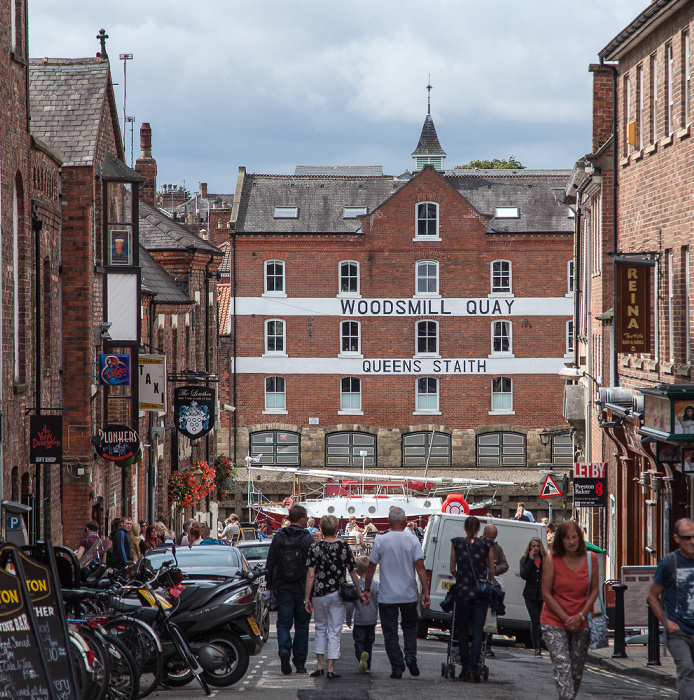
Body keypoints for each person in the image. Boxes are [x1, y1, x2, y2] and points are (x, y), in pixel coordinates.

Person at [362, 506, 430, 679]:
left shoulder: (380, 541)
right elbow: (421, 569)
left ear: (389, 522)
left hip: (387, 596)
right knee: (409, 628)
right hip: (408, 594)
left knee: (390, 632)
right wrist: (425, 592)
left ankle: (397, 667)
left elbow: (370, 569)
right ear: (405, 521)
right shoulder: (413, 540)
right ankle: (410, 657)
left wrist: (367, 589)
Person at [541, 520, 598, 700]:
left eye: (574, 537)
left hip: (581, 622)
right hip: (554, 621)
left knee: (576, 671)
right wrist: (566, 618)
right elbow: (546, 593)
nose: (572, 541)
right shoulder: (552, 561)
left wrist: (580, 616)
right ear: (560, 541)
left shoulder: (591, 559)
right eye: (567, 538)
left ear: (580, 539)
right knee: (563, 666)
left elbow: (595, 590)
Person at [304, 515, 362, 679]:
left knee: (320, 628)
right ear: (337, 529)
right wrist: (359, 592)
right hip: (338, 593)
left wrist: (307, 599)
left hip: (319, 593)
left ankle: (319, 665)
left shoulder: (315, 548)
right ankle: (331, 668)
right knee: (335, 631)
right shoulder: (343, 546)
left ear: (321, 529)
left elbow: (310, 574)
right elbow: (352, 571)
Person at [648, 517, 694, 699]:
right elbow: (652, 596)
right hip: (678, 631)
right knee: (687, 668)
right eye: (687, 538)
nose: (692, 541)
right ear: (676, 538)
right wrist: (665, 622)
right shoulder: (669, 563)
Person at [266, 505, 314, 675]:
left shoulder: (279, 536)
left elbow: (271, 561)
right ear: (301, 519)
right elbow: (313, 567)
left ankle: (284, 649)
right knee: (302, 626)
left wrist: (269, 584)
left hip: (283, 587)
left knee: (283, 623)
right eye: (306, 518)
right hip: (302, 588)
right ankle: (300, 663)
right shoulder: (308, 539)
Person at [450, 516, 495, 682]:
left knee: (461, 630)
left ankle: (464, 668)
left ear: (464, 528)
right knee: (477, 630)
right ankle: (474, 669)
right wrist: (488, 581)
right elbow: (491, 568)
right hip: (479, 593)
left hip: (462, 591)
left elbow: (452, 569)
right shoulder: (487, 544)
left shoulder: (456, 543)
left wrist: (461, 579)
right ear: (478, 529)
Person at [346, 556, 379, 674]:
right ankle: (368, 665)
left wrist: (348, 619)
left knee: (359, 641)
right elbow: (379, 600)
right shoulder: (375, 585)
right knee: (369, 643)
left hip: (360, 620)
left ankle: (361, 657)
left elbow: (350, 605)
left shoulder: (356, 586)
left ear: (357, 570)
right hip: (372, 620)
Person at [482, 523, 508, 657]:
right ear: (484, 534)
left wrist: (494, 570)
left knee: (491, 617)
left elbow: (505, 565)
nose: (492, 540)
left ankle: (488, 646)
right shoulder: (477, 546)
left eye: (494, 537)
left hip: (492, 587)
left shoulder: (497, 548)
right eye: (491, 537)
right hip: (479, 586)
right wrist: (486, 565)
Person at [520, 536, 547, 656]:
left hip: (542, 596)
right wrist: (531, 560)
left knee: (541, 622)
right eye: (533, 546)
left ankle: (540, 642)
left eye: (537, 546)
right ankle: (537, 648)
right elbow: (524, 575)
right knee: (535, 620)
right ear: (530, 547)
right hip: (530, 595)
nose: (535, 548)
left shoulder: (545, 560)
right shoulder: (525, 559)